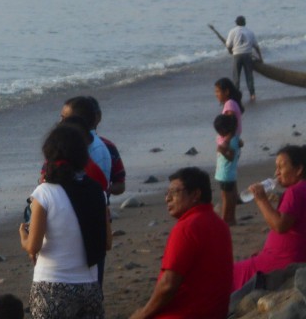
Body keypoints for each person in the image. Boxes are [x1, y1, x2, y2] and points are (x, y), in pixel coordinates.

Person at [20, 122, 108, 319]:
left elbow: (33, 246)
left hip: (52, 285)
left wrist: (23, 237)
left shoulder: (44, 193)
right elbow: (107, 242)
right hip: (89, 284)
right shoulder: (97, 191)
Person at [128, 167, 232, 319]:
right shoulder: (219, 224)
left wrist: (142, 314)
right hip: (214, 312)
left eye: (174, 192)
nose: (167, 199)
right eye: (167, 193)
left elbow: (168, 285)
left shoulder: (187, 228)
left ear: (195, 194)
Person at [232, 144, 306, 290]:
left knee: (229, 274)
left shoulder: (295, 192)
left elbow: (280, 225)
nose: (276, 173)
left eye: (281, 167)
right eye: (276, 167)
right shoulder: (300, 190)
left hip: (283, 261)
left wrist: (261, 199)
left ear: (299, 169)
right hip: (294, 256)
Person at [225, 16, 262, 101]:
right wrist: (260, 58)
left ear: (236, 23)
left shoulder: (232, 31)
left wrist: (230, 51)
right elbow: (256, 46)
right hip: (248, 55)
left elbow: (228, 45)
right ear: (244, 22)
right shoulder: (250, 32)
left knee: (236, 76)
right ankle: (252, 94)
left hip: (237, 55)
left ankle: (235, 94)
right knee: (249, 75)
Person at [214, 113, 240, 226]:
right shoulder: (235, 138)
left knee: (226, 197)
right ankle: (232, 218)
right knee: (233, 195)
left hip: (225, 173)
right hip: (231, 172)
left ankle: (224, 219)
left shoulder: (229, 141)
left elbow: (231, 156)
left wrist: (222, 151)